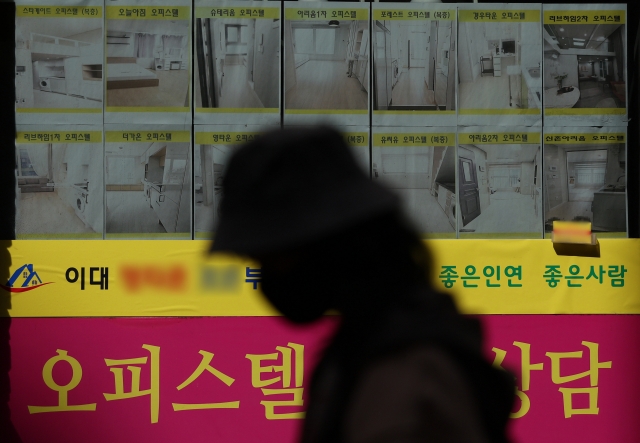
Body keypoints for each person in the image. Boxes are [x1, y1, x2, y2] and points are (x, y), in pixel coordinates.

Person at [210, 126, 514, 443]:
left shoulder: (404, 383)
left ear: (338, 245)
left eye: (276, 259)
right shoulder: (373, 342)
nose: (267, 277)